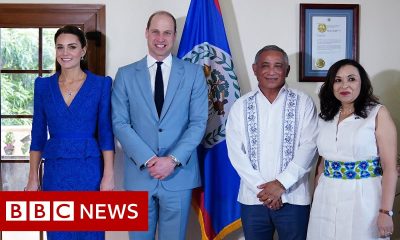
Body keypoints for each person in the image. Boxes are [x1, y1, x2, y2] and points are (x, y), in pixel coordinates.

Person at [111, 11, 208, 240]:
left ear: (174, 36)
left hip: (179, 175)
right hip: (139, 175)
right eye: (155, 31)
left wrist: (171, 160)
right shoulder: (125, 75)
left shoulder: (194, 74)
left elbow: (198, 122)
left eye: (167, 32)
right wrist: (149, 159)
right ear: (146, 33)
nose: (160, 38)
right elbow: (119, 122)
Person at [25, 25, 115, 240]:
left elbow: (105, 132)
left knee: (91, 233)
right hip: (56, 172)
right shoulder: (43, 86)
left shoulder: (101, 84)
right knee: (58, 233)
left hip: (90, 171)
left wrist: (109, 176)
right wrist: (32, 178)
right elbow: (37, 134)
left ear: (83, 51)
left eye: (72, 47)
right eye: (60, 47)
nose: (65, 53)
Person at [226, 45, 318, 240]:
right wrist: (264, 190)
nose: (271, 71)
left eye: (278, 66)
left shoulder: (304, 102)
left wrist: (280, 185)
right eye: (265, 65)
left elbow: (309, 147)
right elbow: (235, 152)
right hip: (253, 200)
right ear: (255, 69)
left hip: (294, 199)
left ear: (287, 70)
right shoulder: (241, 106)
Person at [307, 59, 398, 239]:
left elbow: (390, 168)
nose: (344, 85)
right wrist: (314, 200)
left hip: (365, 197)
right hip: (326, 197)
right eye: (338, 80)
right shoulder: (325, 116)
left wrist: (386, 212)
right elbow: (322, 164)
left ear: (361, 82)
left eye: (351, 79)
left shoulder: (377, 113)